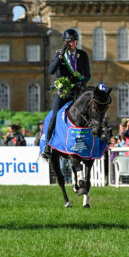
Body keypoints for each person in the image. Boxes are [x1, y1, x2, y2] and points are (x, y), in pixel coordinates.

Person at [43, 28, 91, 159]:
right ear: (64, 42)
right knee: (55, 115)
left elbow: (87, 75)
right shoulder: (59, 54)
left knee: (88, 112)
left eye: (74, 41)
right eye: (69, 41)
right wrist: (59, 57)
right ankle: (48, 144)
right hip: (64, 92)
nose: (71, 44)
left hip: (77, 90)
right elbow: (51, 70)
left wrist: (82, 83)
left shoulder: (83, 55)